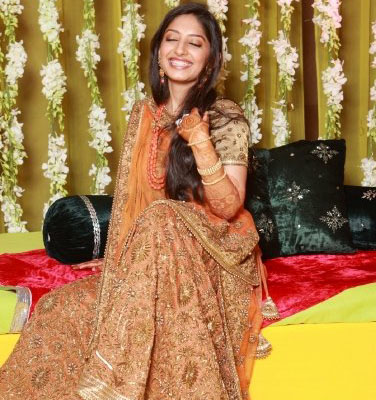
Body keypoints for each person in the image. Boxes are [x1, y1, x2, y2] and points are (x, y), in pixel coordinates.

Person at [0, 3, 278, 399]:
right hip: (157, 253)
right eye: (172, 40)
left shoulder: (224, 116)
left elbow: (228, 207)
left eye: (194, 43)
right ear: (159, 53)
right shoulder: (144, 114)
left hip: (216, 254)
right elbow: (134, 204)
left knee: (163, 215)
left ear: (211, 59)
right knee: (61, 305)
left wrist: (200, 140)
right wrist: (125, 258)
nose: (180, 50)